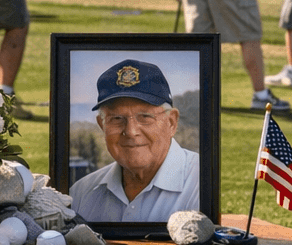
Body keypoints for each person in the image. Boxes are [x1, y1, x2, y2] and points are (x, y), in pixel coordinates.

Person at [70, 59, 201, 222]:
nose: (131, 132)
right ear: (102, 125)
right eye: (117, 118)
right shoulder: (80, 194)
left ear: (171, 123)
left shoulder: (200, 182)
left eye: (145, 116)